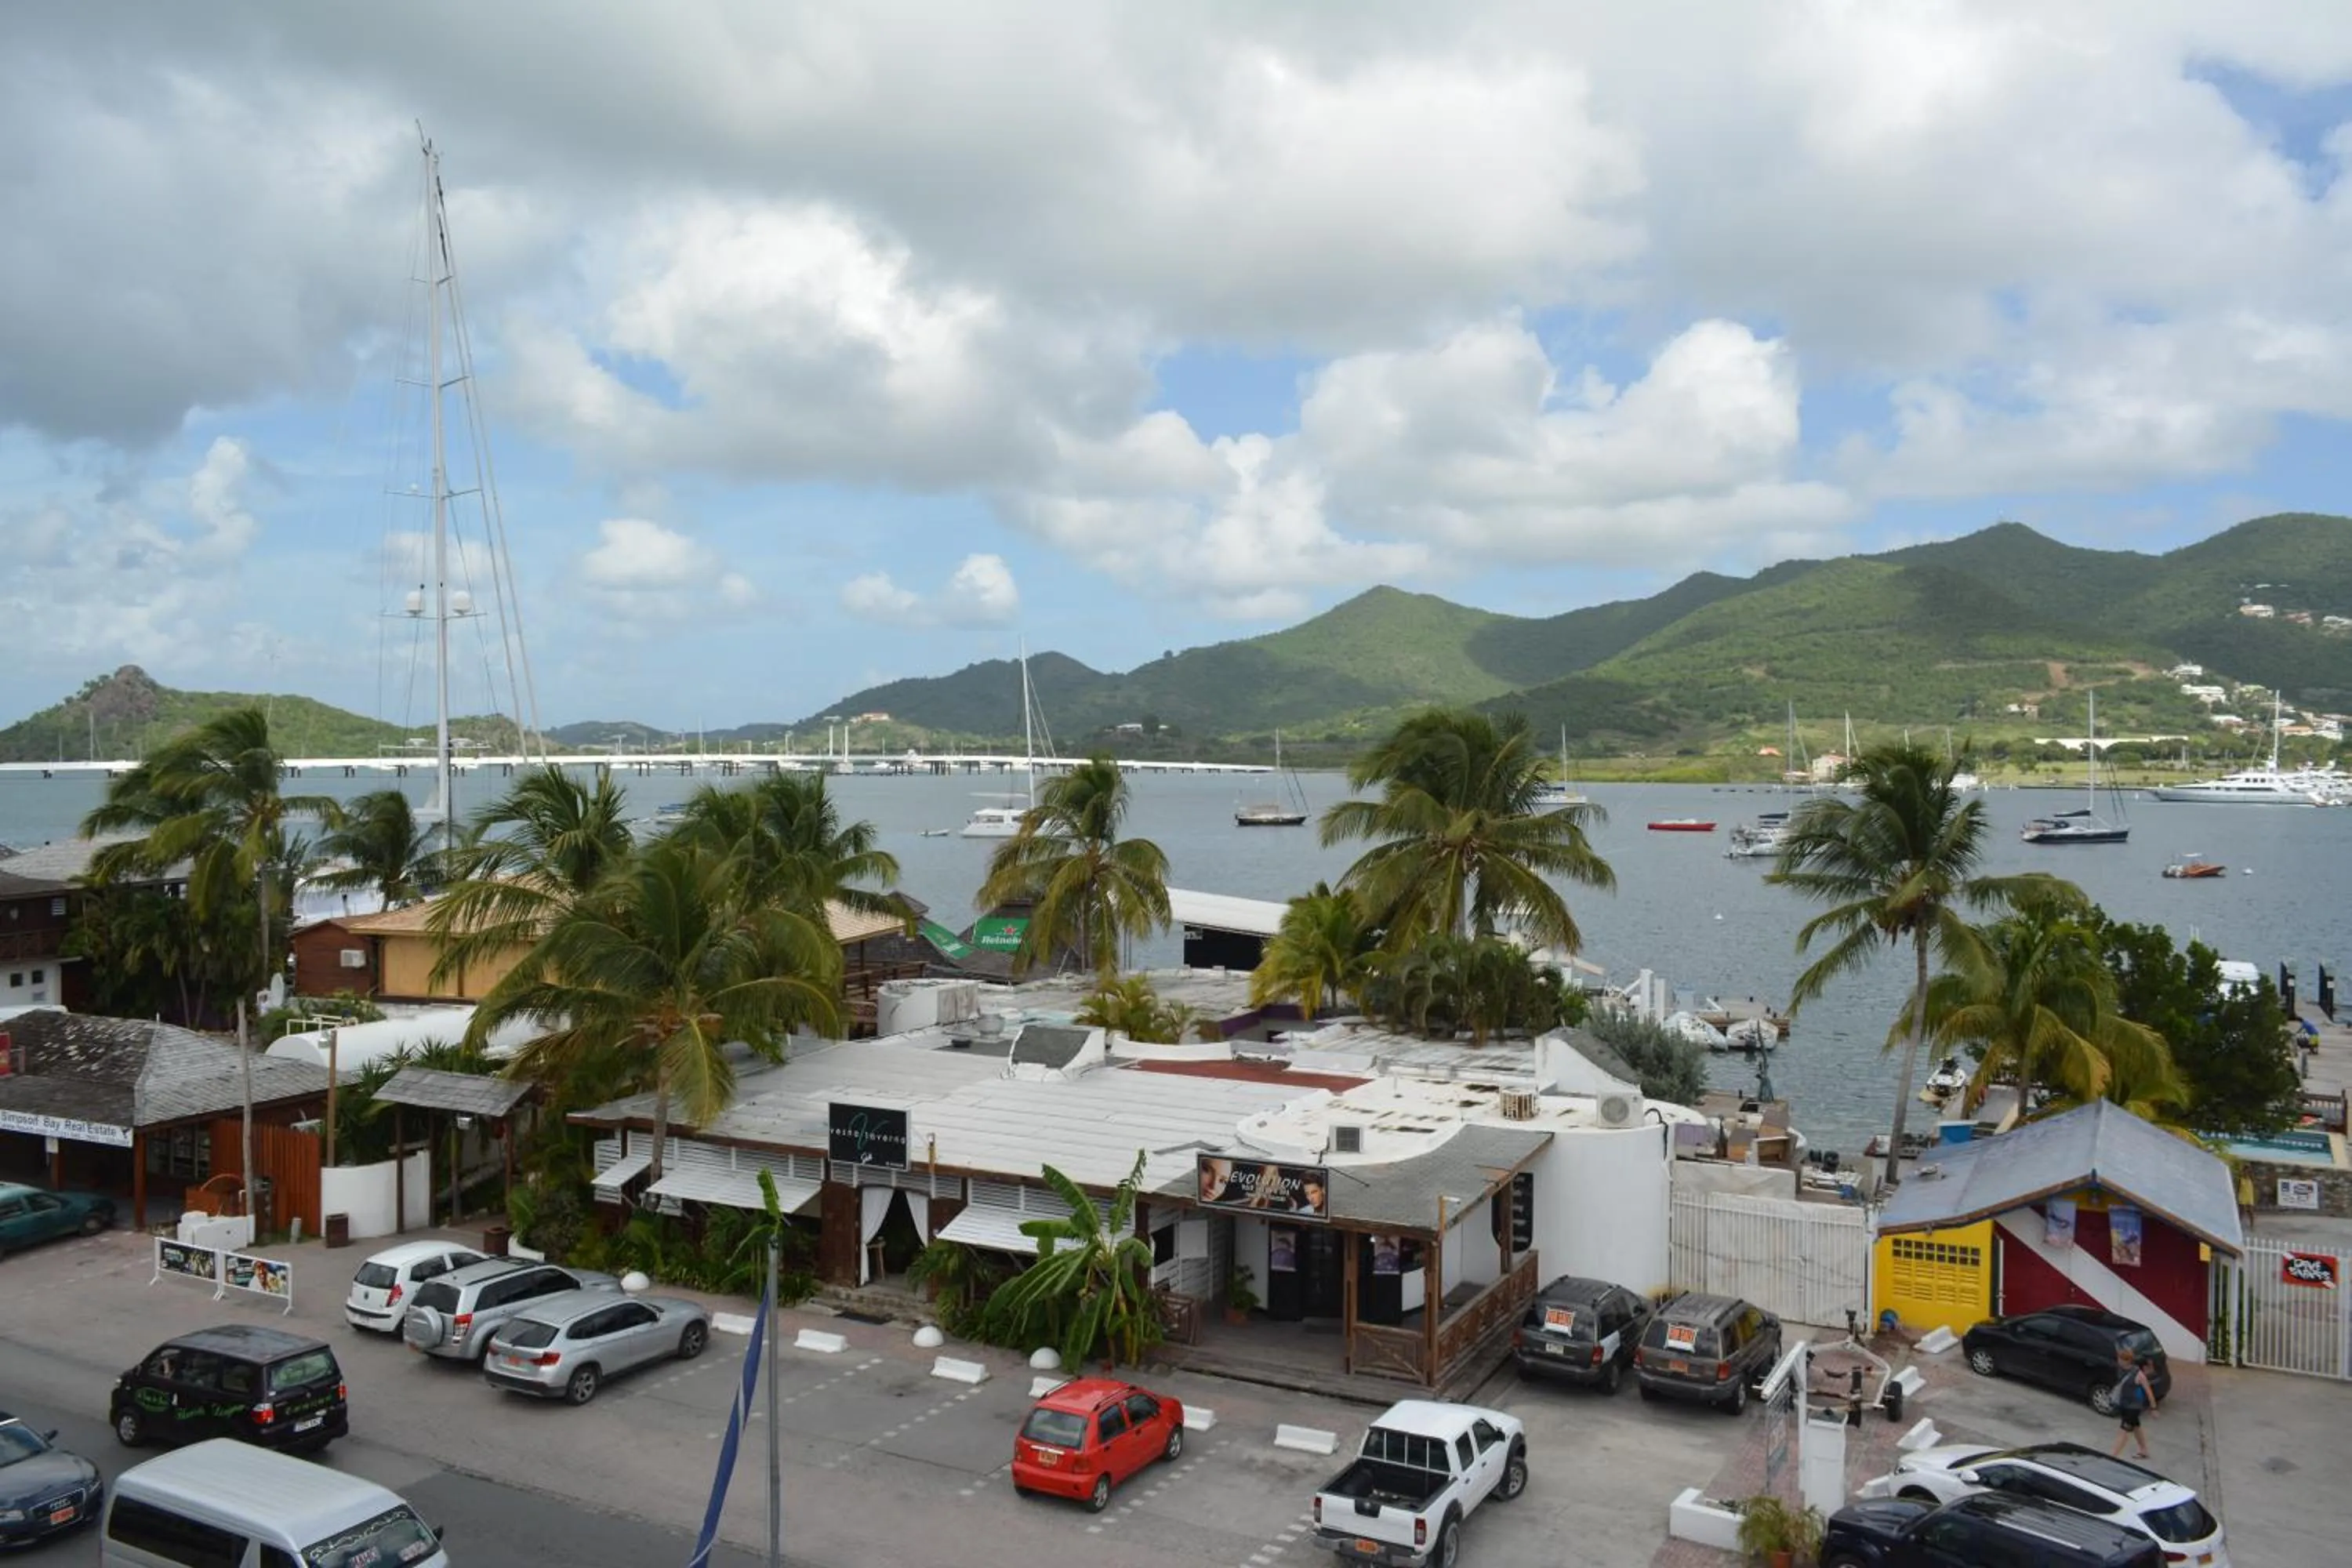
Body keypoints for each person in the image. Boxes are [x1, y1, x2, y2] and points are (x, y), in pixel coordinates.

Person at [2108, 1350, 2156, 1459]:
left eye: (2120, 1359)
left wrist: (2153, 1408)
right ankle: (2144, 1451)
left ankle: (2113, 1457)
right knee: (2136, 1428)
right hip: (2124, 1405)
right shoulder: (2121, 1370)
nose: (2118, 1361)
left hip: (2133, 1408)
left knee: (2124, 1431)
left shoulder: (2139, 1375)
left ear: (2127, 1361)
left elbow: (2149, 1391)